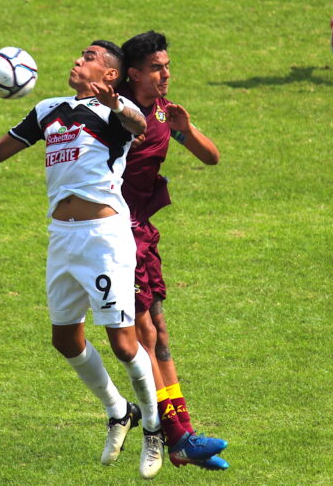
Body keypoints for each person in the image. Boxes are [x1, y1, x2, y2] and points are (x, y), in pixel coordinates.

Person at [0, 40, 224, 480]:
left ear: (112, 75)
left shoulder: (117, 114)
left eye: (89, 57)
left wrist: (121, 106)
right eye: (81, 55)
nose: (78, 60)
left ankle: (159, 430)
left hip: (106, 237)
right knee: (65, 339)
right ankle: (120, 411)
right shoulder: (48, 110)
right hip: (62, 237)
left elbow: (137, 124)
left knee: (128, 342)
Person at [118, 31, 228, 472]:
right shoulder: (115, 113)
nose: (166, 74)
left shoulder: (165, 111)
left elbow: (211, 157)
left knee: (160, 333)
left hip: (142, 232)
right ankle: (174, 434)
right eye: (156, 69)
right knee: (144, 332)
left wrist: (186, 129)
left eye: (167, 66)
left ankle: (182, 432)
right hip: (112, 233)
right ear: (133, 74)